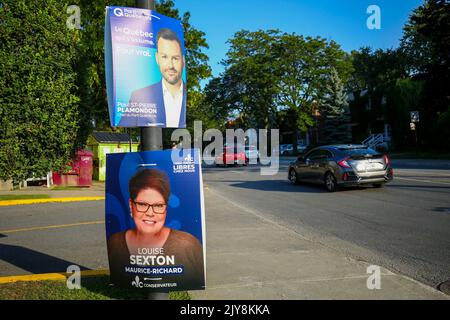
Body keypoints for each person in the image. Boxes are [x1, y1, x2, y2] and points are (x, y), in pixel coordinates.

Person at [107, 169, 204, 290]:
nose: (150, 213)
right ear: (131, 206)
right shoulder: (114, 242)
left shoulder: (188, 245)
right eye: (142, 204)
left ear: (166, 209)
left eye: (158, 206)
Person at [120, 28, 187, 128]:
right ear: (157, 58)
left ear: (183, 60)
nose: (170, 65)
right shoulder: (138, 96)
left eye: (175, 58)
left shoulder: (191, 97)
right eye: (164, 57)